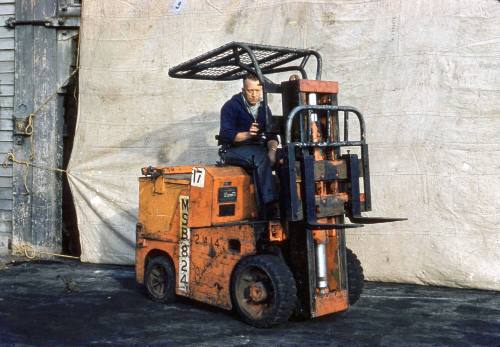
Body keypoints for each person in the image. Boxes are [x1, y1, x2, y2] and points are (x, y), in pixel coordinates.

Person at [218, 74, 279, 213]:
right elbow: (226, 135)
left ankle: (289, 202)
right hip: (233, 149)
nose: (253, 94)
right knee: (259, 157)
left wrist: (273, 151)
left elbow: (272, 135)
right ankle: (269, 205)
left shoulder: (264, 108)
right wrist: (248, 134)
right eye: (250, 90)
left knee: (287, 158)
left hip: (258, 148)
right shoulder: (231, 107)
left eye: (257, 91)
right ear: (243, 90)